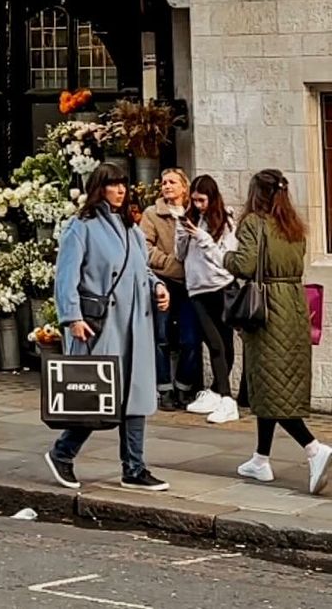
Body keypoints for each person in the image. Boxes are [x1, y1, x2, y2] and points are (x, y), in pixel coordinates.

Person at [46, 161, 170, 493]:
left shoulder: (131, 227)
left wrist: (158, 286)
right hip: (101, 325)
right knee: (98, 397)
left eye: (123, 185)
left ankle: (134, 467)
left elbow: (141, 270)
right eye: (113, 185)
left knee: (137, 396)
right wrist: (72, 318)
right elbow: (66, 277)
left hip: (136, 323)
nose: (119, 190)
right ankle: (62, 453)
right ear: (99, 188)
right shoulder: (81, 226)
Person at [226, 169, 332, 493]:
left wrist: (224, 255)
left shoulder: (253, 223)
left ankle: (314, 449)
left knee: (270, 385)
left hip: (266, 311)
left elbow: (243, 265)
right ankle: (260, 459)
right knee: (274, 384)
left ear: (256, 193)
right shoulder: (294, 227)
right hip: (294, 307)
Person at [175, 173, 238, 423]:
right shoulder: (190, 219)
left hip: (221, 285)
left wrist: (202, 238)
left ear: (212, 198)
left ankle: (224, 396)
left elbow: (226, 259)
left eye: (202, 200)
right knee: (212, 342)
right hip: (197, 289)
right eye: (195, 200)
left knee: (224, 341)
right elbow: (179, 255)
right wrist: (182, 234)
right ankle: (220, 394)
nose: (199, 205)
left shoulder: (226, 221)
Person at [140, 168, 200, 410]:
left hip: (190, 285)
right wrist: (170, 264)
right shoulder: (152, 214)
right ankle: (164, 389)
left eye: (172, 182)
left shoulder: (193, 213)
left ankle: (184, 387)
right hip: (162, 282)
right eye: (164, 183)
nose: (167, 186)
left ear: (184, 187)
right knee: (161, 337)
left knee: (191, 339)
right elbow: (144, 248)